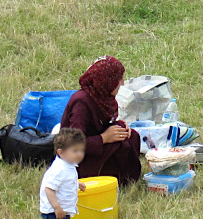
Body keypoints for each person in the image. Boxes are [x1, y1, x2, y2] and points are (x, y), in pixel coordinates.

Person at [59, 56, 142, 186]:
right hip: (77, 161)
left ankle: (124, 179)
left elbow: (98, 125)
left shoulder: (102, 97)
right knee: (120, 145)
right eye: (118, 79)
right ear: (106, 81)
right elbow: (72, 143)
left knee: (131, 137)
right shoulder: (82, 103)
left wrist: (118, 127)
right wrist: (103, 138)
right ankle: (116, 180)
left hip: (93, 146)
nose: (122, 83)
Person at [39, 128, 87, 219]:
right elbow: (49, 189)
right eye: (75, 151)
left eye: (81, 150)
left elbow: (66, 180)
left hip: (64, 209)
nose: (80, 154)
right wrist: (56, 207)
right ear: (60, 152)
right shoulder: (58, 169)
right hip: (53, 211)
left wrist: (77, 183)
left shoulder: (69, 165)